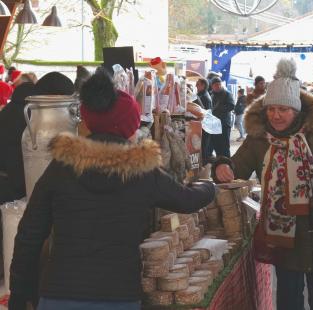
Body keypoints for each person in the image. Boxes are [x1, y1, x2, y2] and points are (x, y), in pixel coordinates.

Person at [8, 70, 216, 310]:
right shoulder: (142, 171)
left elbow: (29, 234)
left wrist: (18, 292)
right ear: (130, 127)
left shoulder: (61, 167)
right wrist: (208, 185)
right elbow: (188, 200)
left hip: (60, 294)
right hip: (118, 296)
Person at [213, 58, 313, 310]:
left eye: (283, 109)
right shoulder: (258, 140)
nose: (275, 115)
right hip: (282, 235)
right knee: (289, 297)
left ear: (297, 110)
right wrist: (223, 166)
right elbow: (237, 166)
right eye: (271, 109)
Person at [0, 72, 75, 205]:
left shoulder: (18, 106)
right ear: (53, 98)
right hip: (11, 193)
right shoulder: (31, 115)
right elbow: (23, 170)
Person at [210, 76, 234, 157]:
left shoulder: (227, 94)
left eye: (219, 84)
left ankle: (227, 165)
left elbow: (231, 106)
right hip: (214, 125)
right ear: (212, 86)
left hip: (224, 124)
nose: (218, 86)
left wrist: (218, 108)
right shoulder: (212, 95)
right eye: (216, 85)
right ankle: (219, 164)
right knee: (217, 146)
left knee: (225, 146)